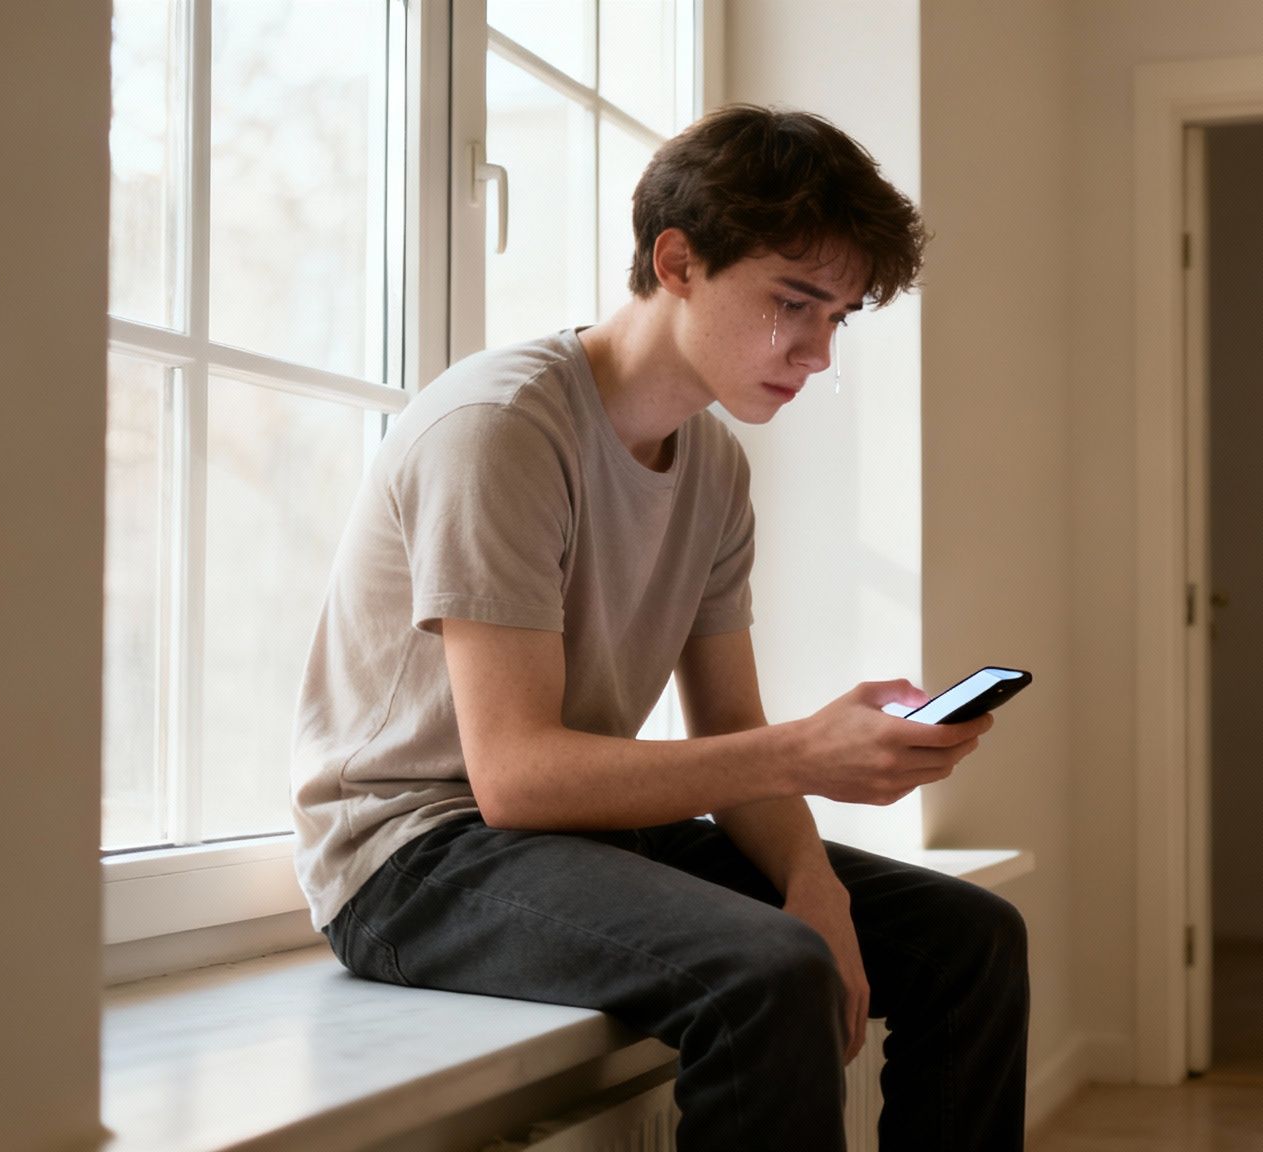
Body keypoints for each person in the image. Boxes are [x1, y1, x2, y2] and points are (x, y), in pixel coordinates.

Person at [290, 104, 1028, 1151]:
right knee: (764, 974)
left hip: (571, 838)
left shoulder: (714, 468)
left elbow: (729, 724)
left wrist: (812, 880)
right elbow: (513, 779)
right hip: (415, 858)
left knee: (971, 937)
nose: (816, 351)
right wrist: (809, 754)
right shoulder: (501, 428)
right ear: (676, 260)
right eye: (793, 303)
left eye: (838, 317)